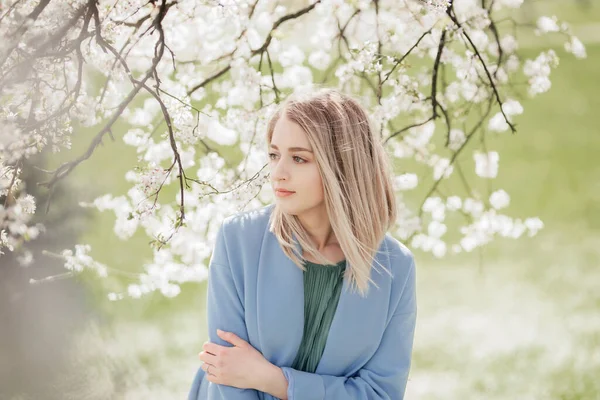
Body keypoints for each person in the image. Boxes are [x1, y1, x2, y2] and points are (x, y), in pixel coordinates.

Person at [187, 88, 417, 400]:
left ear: (342, 167)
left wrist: (274, 381)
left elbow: (381, 394)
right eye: (273, 155)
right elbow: (226, 374)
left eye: (298, 158)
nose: (278, 173)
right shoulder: (238, 240)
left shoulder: (395, 267)